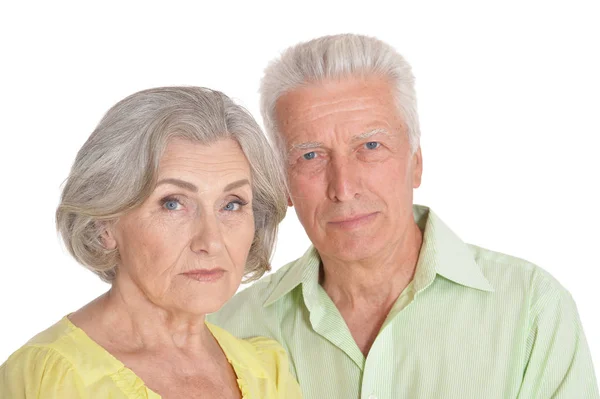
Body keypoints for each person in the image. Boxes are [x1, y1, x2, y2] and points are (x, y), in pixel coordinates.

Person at [208, 34, 600, 398]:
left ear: (416, 162)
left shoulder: (532, 307)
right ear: (282, 180)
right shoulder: (228, 331)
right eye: (310, 155)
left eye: (371, 146)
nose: (343, 187)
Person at [0, 87, 301, 399]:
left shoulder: (266, 370)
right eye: (172, 204)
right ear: (105, 223)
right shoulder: (48, 377)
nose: (210, 241)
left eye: (232, 204)